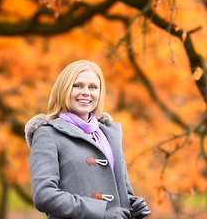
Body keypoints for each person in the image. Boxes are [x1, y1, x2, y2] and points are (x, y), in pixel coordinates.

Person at [25, 60, 151, 219]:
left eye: (93, 87)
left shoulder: (109, 134)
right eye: (77, 85)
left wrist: (132, 204)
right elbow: (44, 195)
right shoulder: (47, 134)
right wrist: (101, 213)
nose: (86, 92)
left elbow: (121, 191)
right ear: (63, 89)